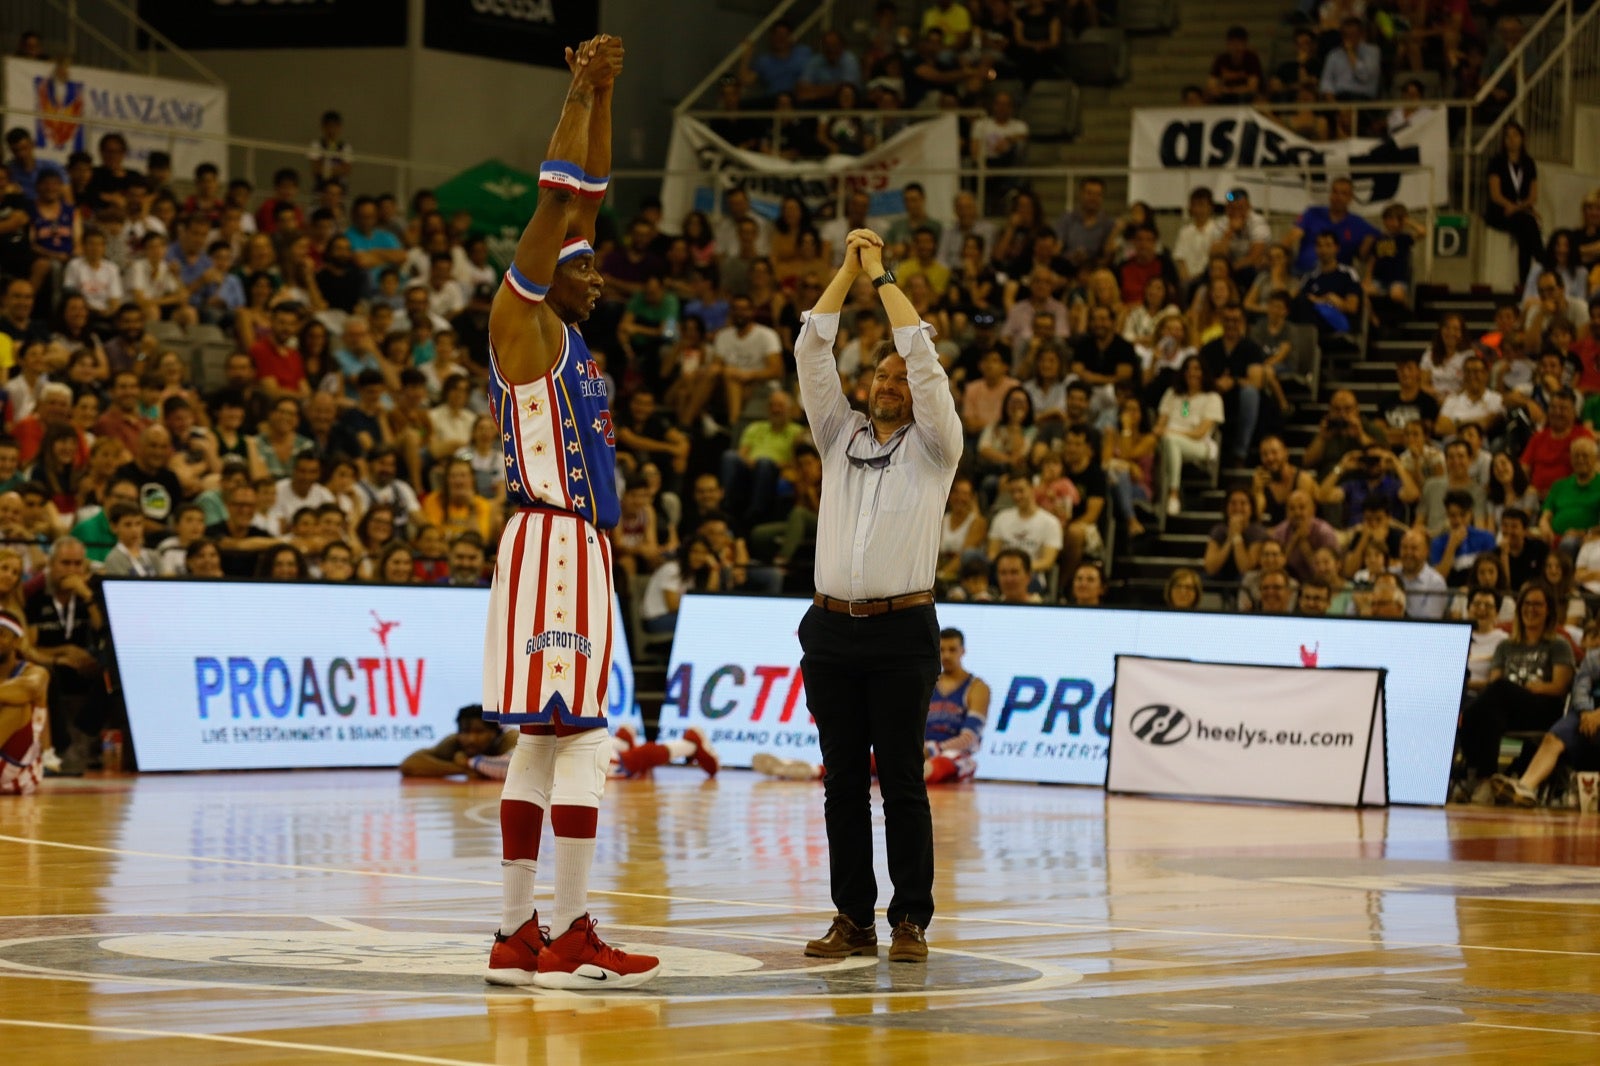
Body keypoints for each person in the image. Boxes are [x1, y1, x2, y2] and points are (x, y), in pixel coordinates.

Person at [475, 36, 658, 991]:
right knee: (583, 733)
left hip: (568, 546)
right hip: (551, 540)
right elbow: (559, 200)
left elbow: (586, 196)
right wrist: (575, 91)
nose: (600, 276)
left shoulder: (570, 337)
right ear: (555, 275)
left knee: (545, 740)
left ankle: (519, 935)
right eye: (586, 269)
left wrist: (606, 96)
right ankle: (570, 927)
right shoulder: (525, 323)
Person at [792, 224, 962, 966]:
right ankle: (852, 918)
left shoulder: (936, 447)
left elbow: (924, 360)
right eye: (881, 377)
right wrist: (844, 270)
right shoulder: (838, 434)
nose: (889, 384)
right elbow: (810, 352)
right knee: (840, 787)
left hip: (902, 631)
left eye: (899, 378)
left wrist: (883, 276)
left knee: (900, 780)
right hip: (830, 632)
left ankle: (910, 920)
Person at [1455, 581, 1574, 803]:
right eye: (1526, 604)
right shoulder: (1505, 646)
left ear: (1548, 610)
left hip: (1543, 707)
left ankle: (1475, 777)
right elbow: (1493, 682)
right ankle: (1486, 779)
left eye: (1538, 604)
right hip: (1509, 707)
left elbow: (1560, 686)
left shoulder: (1558, 645)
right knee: (1486, 713)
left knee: (1493, 696)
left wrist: (1540, 687)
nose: (1531, 609)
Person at [1491, 644, 1600, 807]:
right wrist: (1585, 712)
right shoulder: (1594, 657)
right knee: (1554, 737)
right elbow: (1580, 688)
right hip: (1586, 713)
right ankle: (1525, 788)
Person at [1154, 356, 1222, 516]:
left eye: (1197, 369)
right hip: (1168, 440)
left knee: (1171, 441)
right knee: (1166, 443)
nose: (1192, 373)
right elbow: (1162, 423)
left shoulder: (1212, 398)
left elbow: (1200, 432)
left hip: (1199, 444)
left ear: (1203, 373)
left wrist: (1170, 433)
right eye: (1188, 369)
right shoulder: (1175, 395)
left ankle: (1173, 494)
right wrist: (1162, 431)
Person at [1483, 120, 1543, 284]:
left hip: (1517, 211)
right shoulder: (1497, 162)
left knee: (1526, 230)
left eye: (1515, 135)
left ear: (1522, 138)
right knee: (1528, 223)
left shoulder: (1529, 163)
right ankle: (1543, 259)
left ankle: (1524, 281)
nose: (1512, 139)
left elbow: (1533, 196)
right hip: (1500, 211)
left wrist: (1518, 208)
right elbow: (1495, 194)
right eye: (1508, 136)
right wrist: (1513, 207)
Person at [0, 610, 49, 795]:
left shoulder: (36, 672)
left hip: (19, 772)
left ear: (17, 642)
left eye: (1, 634)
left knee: (17, 706)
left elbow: (28, 689)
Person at [400, 704, 519, 778]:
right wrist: (462, 769)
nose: (471, 739)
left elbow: (514, 768)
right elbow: (409, 764)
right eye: (465, 732)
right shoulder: (454, 741)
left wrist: (468, 763)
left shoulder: (510, 738)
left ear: (495, 733)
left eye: (479, 732)